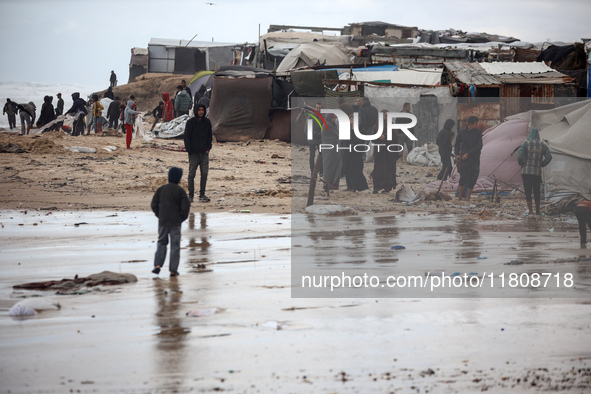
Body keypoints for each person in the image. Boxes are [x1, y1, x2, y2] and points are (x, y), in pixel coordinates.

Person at [151, 167, 191, 277]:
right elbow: (185, 208)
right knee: (175, 245)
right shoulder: (180, 191)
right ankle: (173, 270)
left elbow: (154, 204)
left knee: (161, 242)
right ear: (179, 178)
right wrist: (181, 218)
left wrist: (159, 215)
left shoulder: (161, 189)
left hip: (163, 221)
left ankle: (157, 265)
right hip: (175, 222)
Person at [517, 127, 552, 216]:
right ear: (538, 135)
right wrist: (541, 164)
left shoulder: (525, 144)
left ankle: (530, 211)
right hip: (537, 173)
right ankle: (537, 211)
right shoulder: (543, 145)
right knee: (536, 192)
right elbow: (549, 157)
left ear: (530, 135)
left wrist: (522, 163)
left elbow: (520, 156)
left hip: (526, 172)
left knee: (528, 191)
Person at [184, 104, 212, 203]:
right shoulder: (190, 123)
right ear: (196, 111)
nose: (201, 112)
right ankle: (190, 195)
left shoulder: (207, 122)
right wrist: (189, 150)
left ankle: (202, 194)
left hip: (204, 153)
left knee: (204, 174)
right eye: (199, 110)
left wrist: (208, 148)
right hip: (193, 154)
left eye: (202, 110)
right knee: (191, 174)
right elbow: (187, 137)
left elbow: (209, 136)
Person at [454, 116, 482, 201]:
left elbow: (479, 146)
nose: (477, 125)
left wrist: (469, 154)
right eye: (476, 124)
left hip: (474, 158)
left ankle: (468, 198)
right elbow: (457, 144)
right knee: (463, 178)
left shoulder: (478, 133)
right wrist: (457, 154)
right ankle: (459, 197)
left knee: (473, 178)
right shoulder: (462, 133)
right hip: (464, 159)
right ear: (470, 124)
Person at [371, 110, 398, 194]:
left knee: (389, 170)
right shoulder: (377, 125)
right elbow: (372, 138)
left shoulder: (392, 125)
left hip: (389, 152)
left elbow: (395, 137)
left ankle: (387, 188)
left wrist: (386, 136)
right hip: (380, 152)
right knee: (378, 169)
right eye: (385, 116)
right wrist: (379, 137)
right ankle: (377, 187)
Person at [341, 114, 368, 192]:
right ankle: (349, 186)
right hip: (348, 152)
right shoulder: (347, 129)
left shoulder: (361, 129)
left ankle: (356, 186)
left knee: (356, 170)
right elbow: (345, 140)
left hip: (356, 153)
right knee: (348, 169)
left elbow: (360, 140)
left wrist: (353, 143)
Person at [321, 113, 342, 190]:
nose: (335, 119)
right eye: (333, 118)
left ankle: (333, 183)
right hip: (329, 149)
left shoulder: (332, 124)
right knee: (329, 165)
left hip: (334, 149)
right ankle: (328, 182)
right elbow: (337, 134)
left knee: (335, 166)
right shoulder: (328, 125)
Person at [308, 102, 323, 176]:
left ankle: (321, 171)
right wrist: (314, 135)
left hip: (320, 139)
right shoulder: (311, 117)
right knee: (312, 156)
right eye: (317, 108)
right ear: (315, 108)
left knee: (321, 155)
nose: (318, 109)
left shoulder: (323, 117)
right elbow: (307, 129)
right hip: (312, 140)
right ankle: (312, 171)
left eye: (320, 108)